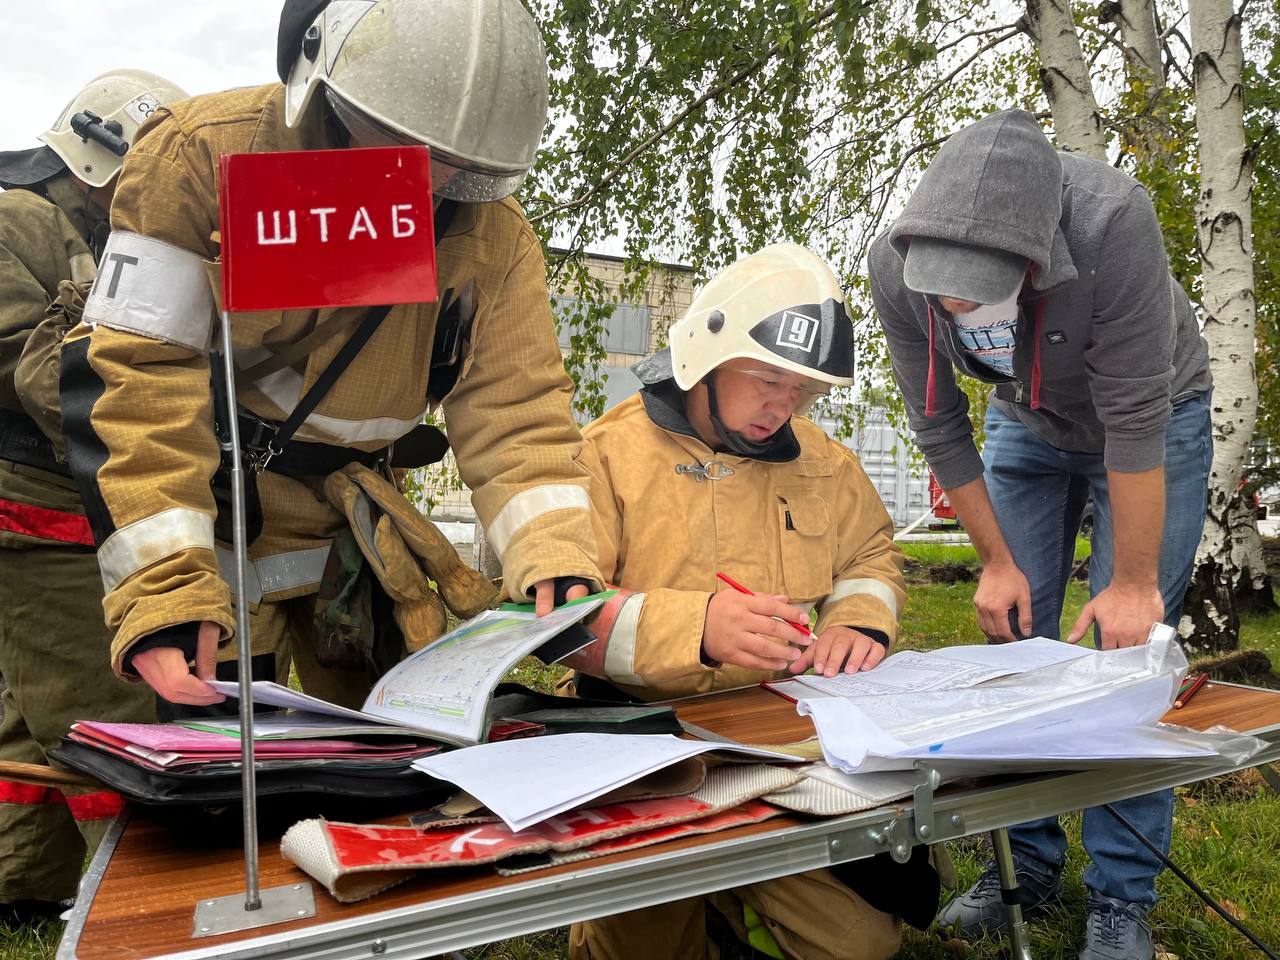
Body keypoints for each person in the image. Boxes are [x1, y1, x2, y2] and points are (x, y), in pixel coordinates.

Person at [59, 0, 602, 712]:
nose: (428, 180)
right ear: (322, 80)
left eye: (459, 164)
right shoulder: (201, 157)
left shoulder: (496, 238)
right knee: (216, 775)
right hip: (216, 505)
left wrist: (556, 557)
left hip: (356, 529)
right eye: (399, 139)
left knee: (383, 756)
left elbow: (518, 415)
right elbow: (141, 378)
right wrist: (162, 591)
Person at [867, 108, 1213, 960]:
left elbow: (1133, 417)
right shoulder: (895, 264)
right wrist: (995, 562)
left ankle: (1121, 898)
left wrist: (1130, 585)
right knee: (1011, 643)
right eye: (938, 288)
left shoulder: (1112, 223)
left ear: (1034, 260)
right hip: (1027, 418)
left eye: (972, 290)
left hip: (1152, 418)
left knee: (1126, 660)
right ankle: (1023, 862)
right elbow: (939, 422)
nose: (950, 304)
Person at [564, 244, 935, 960]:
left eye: (802, 391)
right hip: (641, 744)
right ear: (705, 353)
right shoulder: (603, 454)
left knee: (859, 948)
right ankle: (677, 904)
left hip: (784, 745)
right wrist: (694, 629)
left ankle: (732, 904)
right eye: (768, 380)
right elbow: (555, 617)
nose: (783, 407)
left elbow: (870, 556)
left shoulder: (827, 462)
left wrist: (860, 618)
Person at [0, 69, 188, 921]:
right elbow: (39, 378)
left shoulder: (69, 221)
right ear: (99, 160)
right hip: (39, 508)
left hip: (55, 500)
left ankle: (25, 887)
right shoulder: (17, 222)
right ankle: (142, 903)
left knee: (27, 706)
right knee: (98, 713)